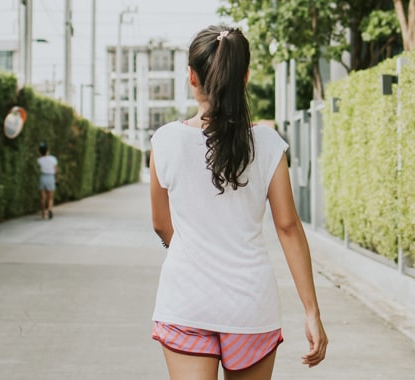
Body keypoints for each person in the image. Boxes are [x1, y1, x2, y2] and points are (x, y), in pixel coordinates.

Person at [149, 25, 328, 380]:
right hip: (250, 307)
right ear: (244, 77)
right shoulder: (266, 143)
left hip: (186, 302)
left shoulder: (166, 140)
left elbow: (160, 223)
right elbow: (288, 227)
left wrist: (190, 248)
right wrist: (311, 312)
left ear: (191, 77)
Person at [37, 142, 58, 220]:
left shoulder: (39, 160)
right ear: (47, 150)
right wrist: (56, 178)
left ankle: (43, 212)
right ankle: (50, 208)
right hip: (50, 177)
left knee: (43, 197)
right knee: (50, 197)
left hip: (43, 177)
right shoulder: (53, 158)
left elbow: (39, 168)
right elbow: (56, 170)